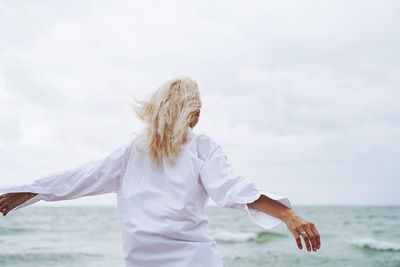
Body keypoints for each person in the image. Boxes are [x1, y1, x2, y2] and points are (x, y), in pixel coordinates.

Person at [0, 76, 321, 267]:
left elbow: (82, 178)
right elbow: (231, 188)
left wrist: (30, 191)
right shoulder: (194, 148)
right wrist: (287, 214)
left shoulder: (138, 151)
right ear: (193, 113)